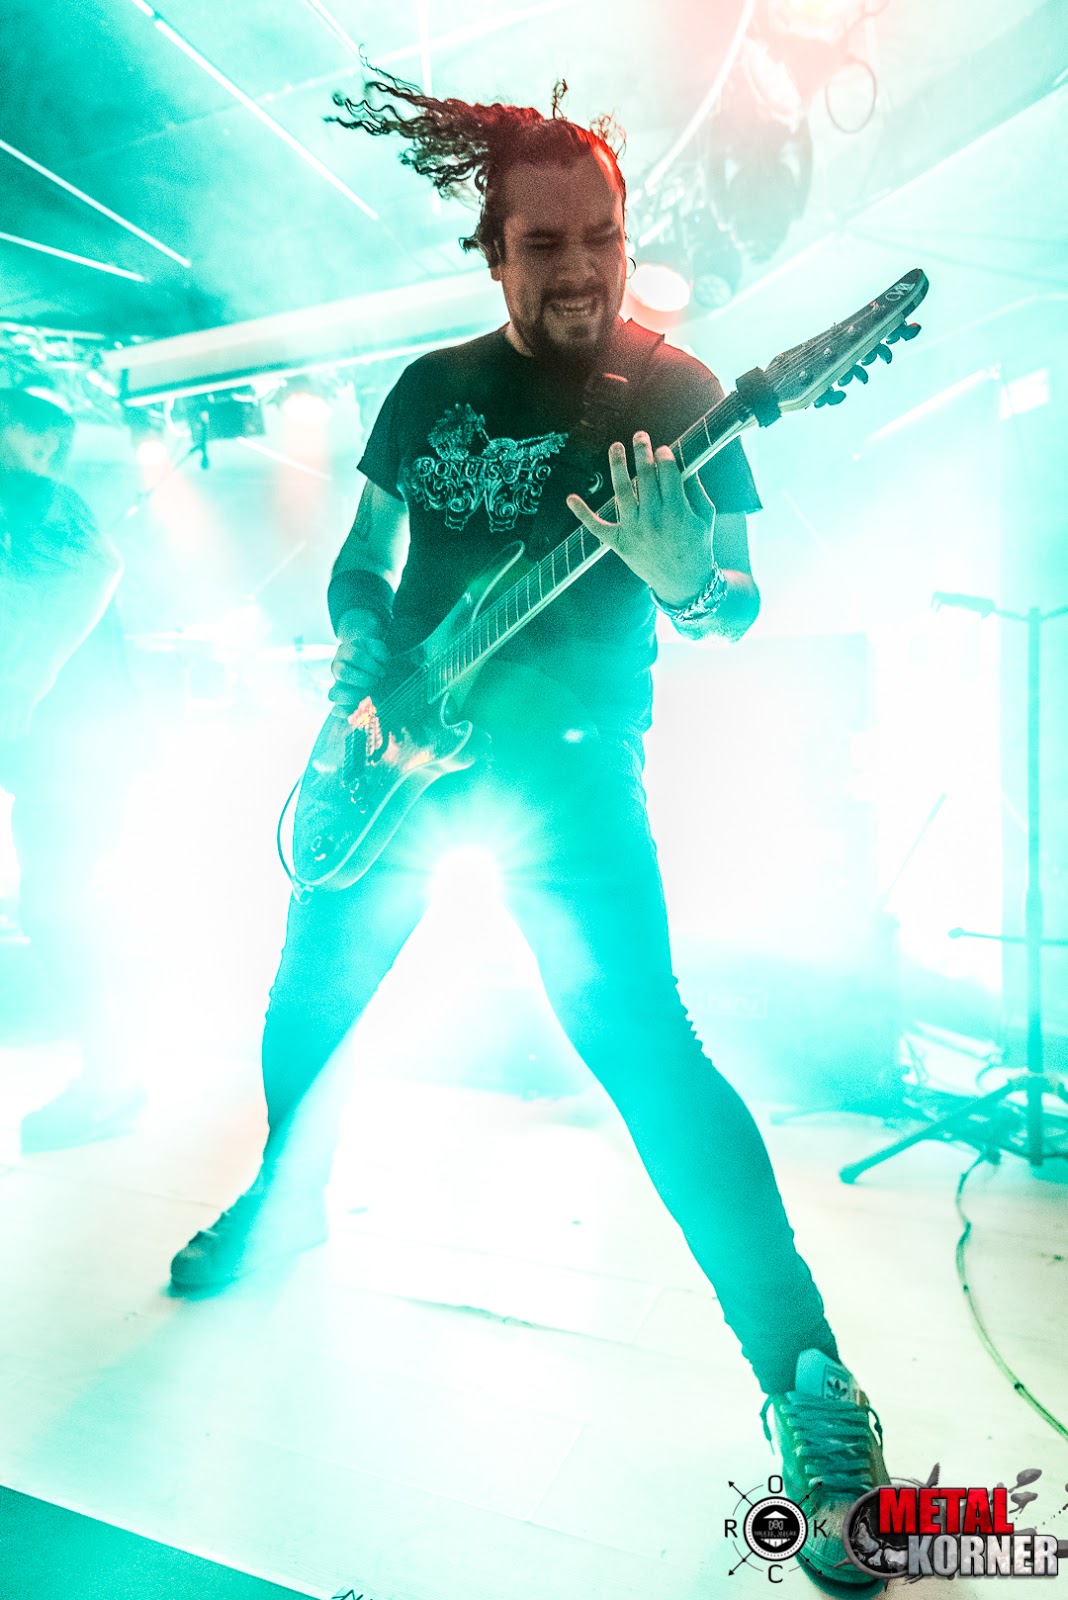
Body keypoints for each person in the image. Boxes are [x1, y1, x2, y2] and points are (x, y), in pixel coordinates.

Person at [169, 73, 887, 1588]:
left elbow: (735, 606)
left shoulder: (684, 398)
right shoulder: (429, 389)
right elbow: (361, 564)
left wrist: (687, 580)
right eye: (545, 244)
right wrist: (367, 666)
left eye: (602, 238)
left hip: (572, 783)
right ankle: (286, 1200)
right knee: (305, 1005)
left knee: (651, 1054)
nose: (580, 270)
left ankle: (810, 1382)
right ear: (494, 255)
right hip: (395, 757)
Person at [0, 389, 145, 1149]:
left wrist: (25, 679)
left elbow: (97, 567)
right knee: (57, 904)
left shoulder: (38, 499)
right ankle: (111, 1077)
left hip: (75, 743)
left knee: (55, 906)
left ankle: (111, 1082)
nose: (41, 457)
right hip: (68, 742)